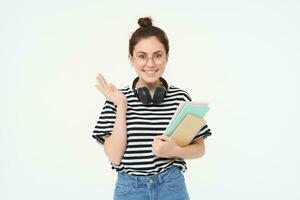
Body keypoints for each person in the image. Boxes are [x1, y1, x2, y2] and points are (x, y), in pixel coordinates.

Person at [92, 16, 212, 200]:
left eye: (157, 55)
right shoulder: (115, 99)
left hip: (171, 186)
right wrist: (122, 106)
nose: (150, 64)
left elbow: (200, 148)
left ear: (167, 57)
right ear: (131, 58)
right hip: (130, 189)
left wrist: (175, 152)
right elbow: (115, 158)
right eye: (142, 56)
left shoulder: (180, 98)